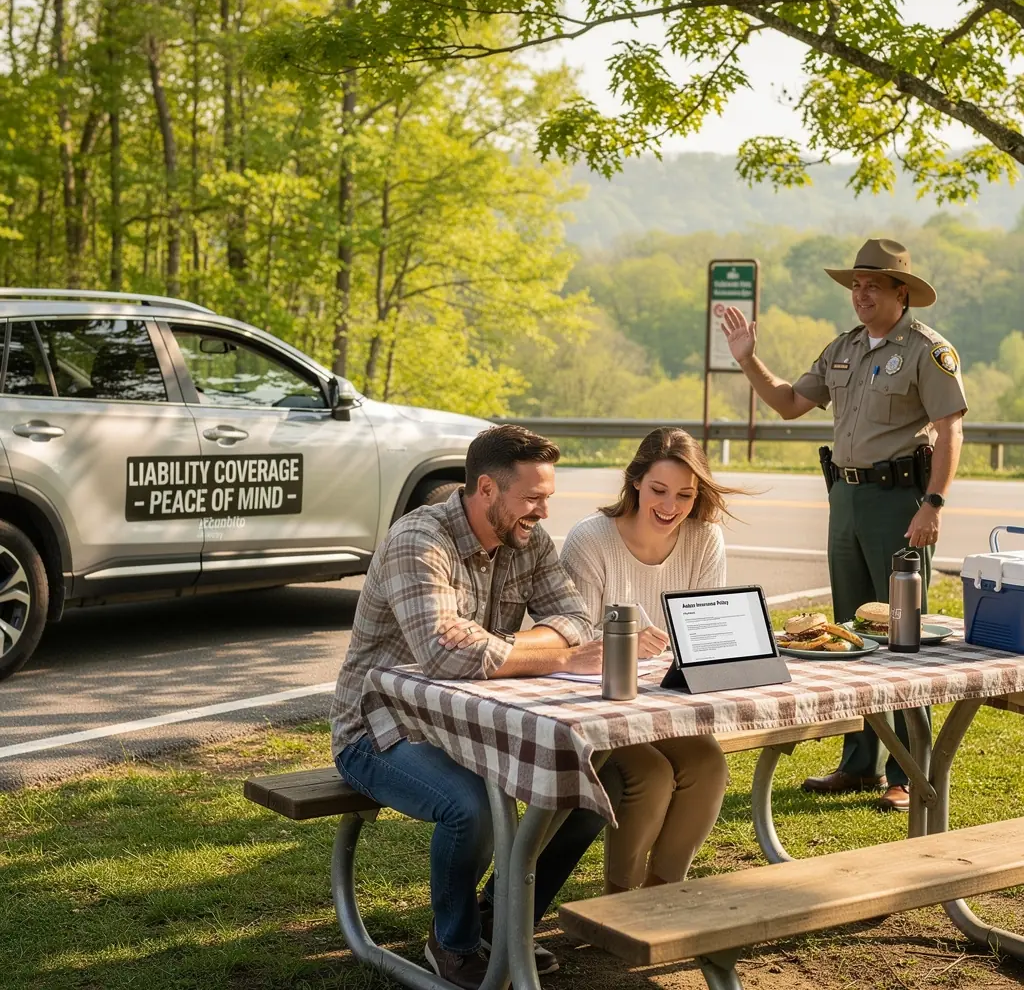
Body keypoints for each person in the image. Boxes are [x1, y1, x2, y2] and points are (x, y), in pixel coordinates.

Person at [329, 424, 620, 989]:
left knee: (580, 796)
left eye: (548, 497)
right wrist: (558, 657)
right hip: (380, 728)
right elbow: (443, 654)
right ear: (486, 489)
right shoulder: (420, 541)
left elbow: (578, 620)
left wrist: (513, 649)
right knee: (473, 811)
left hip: (471, 724)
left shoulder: (526, 540)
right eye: (533, 497)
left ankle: (502, 925)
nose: (543, 510)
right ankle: (454, 942)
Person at [722, 238, 967, 813]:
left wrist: (933, 503)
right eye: (855, 285)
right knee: (848, 635)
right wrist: (746, 357)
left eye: (872, 285)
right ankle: (860, 761)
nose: (860, 294)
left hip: (900, 501)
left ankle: (909, 771)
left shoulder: (927, 352)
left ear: (901, 293)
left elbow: (951, 430)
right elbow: (788, 403)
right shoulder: (845, 348)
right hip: (846, 500)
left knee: (902, 635)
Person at [560, 427, 734, 893]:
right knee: (652, 775)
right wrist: (623, 641)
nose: (670, 506)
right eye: (659, 490)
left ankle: (661, 892)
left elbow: (706, 627)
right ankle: (621, 898)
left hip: (666, 703)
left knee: (709, 766)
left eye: (685, 494)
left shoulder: (705, 538)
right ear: (635, 481)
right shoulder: (590, 539)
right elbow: (572, 636)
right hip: (600, 707)